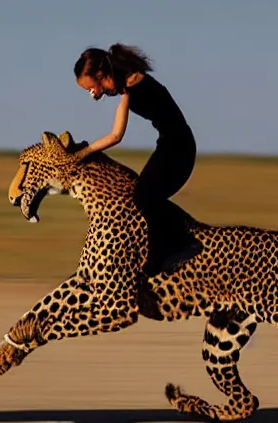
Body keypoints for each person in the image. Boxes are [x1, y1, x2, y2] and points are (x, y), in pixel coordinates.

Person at [73, 43, 202, 276]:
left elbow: (115, 136)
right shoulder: (127, 87)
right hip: (171, 143)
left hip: (179, 146)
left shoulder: (134, 85)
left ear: (102, 75)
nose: (94, 94)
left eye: (92, 88)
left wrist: (84, 153)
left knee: (144, 196)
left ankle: (180, 245)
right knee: (147, 196)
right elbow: (116, 132)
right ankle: (169, 246)